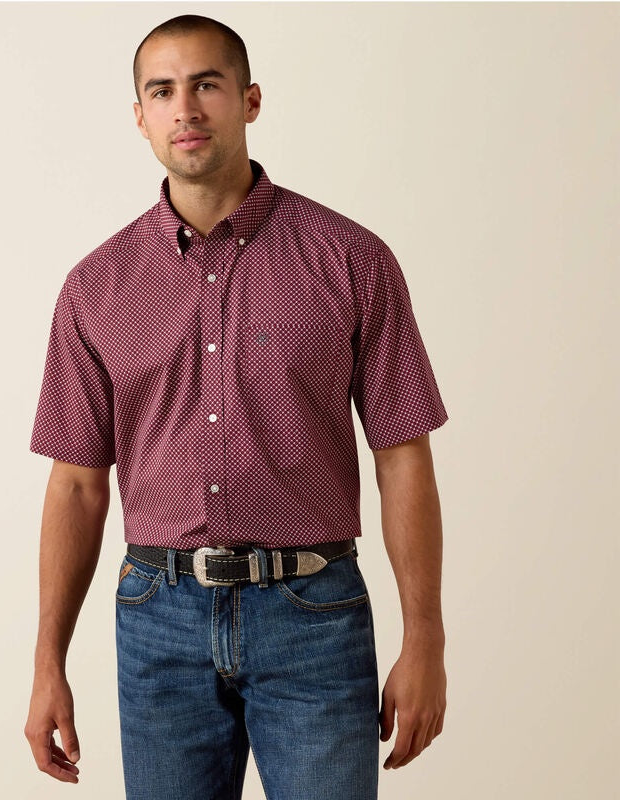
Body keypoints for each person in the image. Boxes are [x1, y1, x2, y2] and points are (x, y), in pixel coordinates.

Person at [24, 13, 449, 800]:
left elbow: (402, 455)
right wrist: (48, 661)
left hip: (314, 615)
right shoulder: (95, 288)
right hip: (158, 620)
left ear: (250, 100)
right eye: (162, 91)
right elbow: (77, 485)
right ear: (140, 116)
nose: (185, 109)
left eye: (207, 85)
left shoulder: (352, 260)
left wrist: (425, 638)